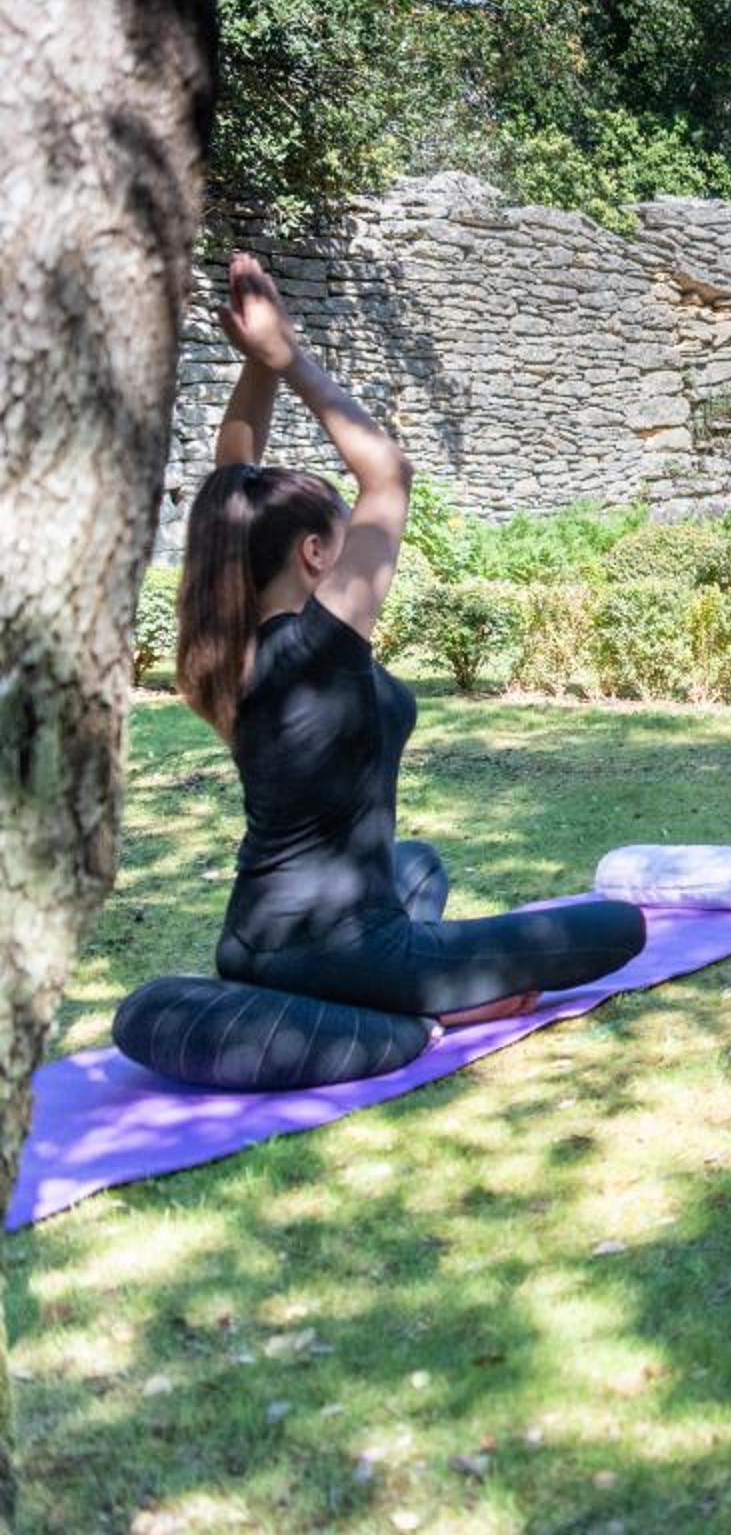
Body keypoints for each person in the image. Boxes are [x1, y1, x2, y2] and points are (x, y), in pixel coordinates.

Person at [176, 254, 644, 1028]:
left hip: (256, 932)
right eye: (341, 534)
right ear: (314, 556)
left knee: (416, 863)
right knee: (619, 928)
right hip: (339, 946)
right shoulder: (316, 651)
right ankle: (411, 1004)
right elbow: (388, 474)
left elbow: (235, 478)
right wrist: (289, 357)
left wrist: (257, 363)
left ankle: (362, 987)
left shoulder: (226, 657)